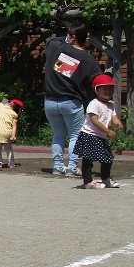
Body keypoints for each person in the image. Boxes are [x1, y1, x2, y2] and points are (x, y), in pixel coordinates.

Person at [44, 21, 103, 177]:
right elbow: (98, 79)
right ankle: (71, 167)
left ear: (72, 36)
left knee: (58, 134)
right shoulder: (87, 58)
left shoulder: (56, 48)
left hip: (50, 101)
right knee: (75, 135)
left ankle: (57, 166)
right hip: (71, 101)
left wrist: (69, 37)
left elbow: (52, 41)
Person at [73, 75, 123, 189]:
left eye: (110, 89)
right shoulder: (94, 104)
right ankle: (88, 182)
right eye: (104, 88)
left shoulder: (110, 104)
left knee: (107, 159)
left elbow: (113, 116)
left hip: (102, 136)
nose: (108, 91)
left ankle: (105, 179)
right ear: (96, 89)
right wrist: (108, 131)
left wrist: (118, 123)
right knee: (88, 160)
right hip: (90, 135)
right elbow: (94, 120)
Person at [0, 98, 22, 169]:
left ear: (11, 104)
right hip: (8, 133)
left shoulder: (2, 106)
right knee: (8, 148)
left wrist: (4, 101)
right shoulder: (14, 114)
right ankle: (11, 163)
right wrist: (13, 135)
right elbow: (14, 126)